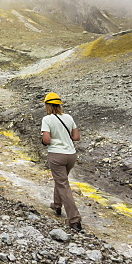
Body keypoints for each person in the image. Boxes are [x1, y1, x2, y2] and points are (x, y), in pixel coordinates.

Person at [41, 92, 81, 231]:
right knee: (61, 180)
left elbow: (46, 140)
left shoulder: (47, 119)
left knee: (63, 184)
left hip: (57, 155)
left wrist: (52, 140)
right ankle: (57, 205)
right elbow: (76, 137)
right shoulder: (69, 117)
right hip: (71, 155)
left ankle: (74, 219)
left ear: (47, 105)